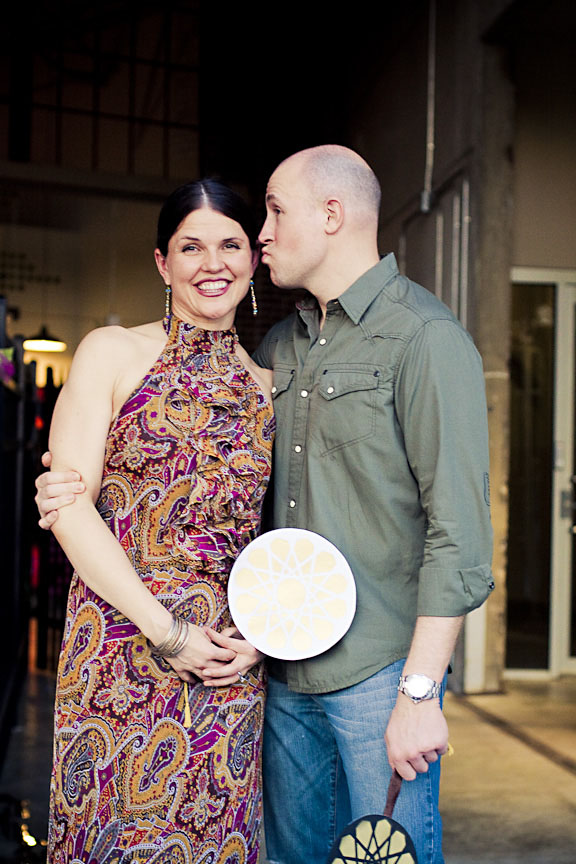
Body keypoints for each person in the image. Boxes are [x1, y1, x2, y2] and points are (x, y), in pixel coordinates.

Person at [36, 146, 494, 864]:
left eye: (245, 235)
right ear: (162, 263)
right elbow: (83, 506)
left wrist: (417, 690)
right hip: (163, 651)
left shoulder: (345, 356)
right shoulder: (254, 349)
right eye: (190, 246)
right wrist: (69, 501)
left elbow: (441, 532)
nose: (244, 245)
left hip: (294, 664)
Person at [38, 179, 274, 864]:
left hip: (225, 662)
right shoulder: (111, 352)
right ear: (162, 263)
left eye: (230, 245)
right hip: (118, 639)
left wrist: (259, 641)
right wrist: (166, 632)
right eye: (191, 247)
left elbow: (273, 538)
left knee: (213, 839)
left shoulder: (268, 387)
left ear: (253, 261)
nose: (213, 263)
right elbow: (68, 506)